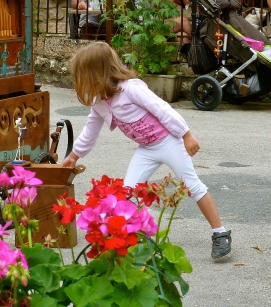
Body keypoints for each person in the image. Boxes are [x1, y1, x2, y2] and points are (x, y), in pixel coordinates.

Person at [61, 42, 232, 260]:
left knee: (192, 185)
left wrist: (186, 134)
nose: (81, 82)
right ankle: (137, 235)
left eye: (83, 76)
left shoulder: (131, 88)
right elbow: (90, 130)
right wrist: (74, 156)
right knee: (127, 192)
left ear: (97, 73)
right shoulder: (99, 102)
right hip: (146, 149)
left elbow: (162, 109)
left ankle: (220, 233)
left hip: (169, 142)